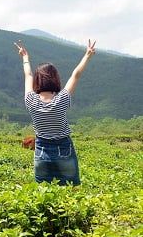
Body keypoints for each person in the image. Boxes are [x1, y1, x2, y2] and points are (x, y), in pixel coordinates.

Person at [15, 39, 96, 186]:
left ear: (37, 81)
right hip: (64, 147)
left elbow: (28, 76)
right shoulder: (61, 99)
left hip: (41, 150)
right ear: (55, 79)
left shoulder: (31, 100)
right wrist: (87, 55)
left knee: (43, 192)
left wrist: (25, 57)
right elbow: (75, 75)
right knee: (71, 190)